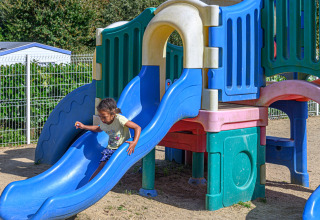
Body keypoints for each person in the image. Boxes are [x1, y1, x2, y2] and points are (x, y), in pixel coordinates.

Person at [75, 98, 141, 181]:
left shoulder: (119, 119)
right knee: (101, 166)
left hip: (121, 148)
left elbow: (137, 127)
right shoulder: (104, 122)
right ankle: (90, 184)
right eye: (100, 117)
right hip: (110, 148)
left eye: (104, 117)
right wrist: (84, 126)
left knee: (106, 165)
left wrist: (135, 142)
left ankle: (96, 182)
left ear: (113, 114)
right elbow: (98, 129)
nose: (102, 120)